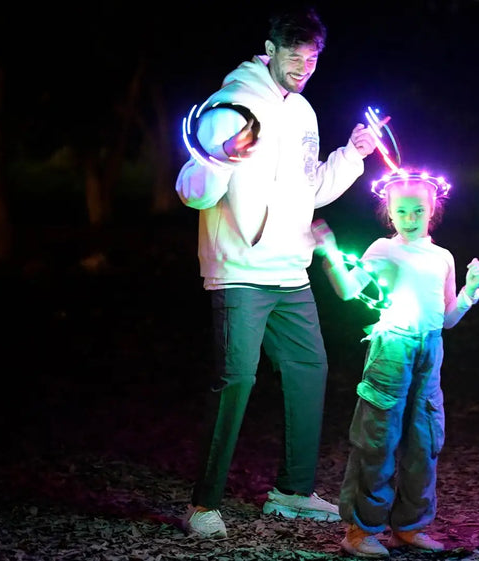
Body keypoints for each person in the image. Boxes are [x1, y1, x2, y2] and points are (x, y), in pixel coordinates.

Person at [174, 6, 385, 539]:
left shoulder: (304, 112)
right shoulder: (231, 107)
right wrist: (221, 156)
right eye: (295, 56)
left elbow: (310, 188)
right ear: (268, 51)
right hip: (241, 269)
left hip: (290, 270)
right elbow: (193, 193)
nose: (304, 66)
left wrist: (353, 154)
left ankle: (291, 492)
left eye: (313, 58)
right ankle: (203, 504)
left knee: (309, 370)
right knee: (236, 380)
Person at [310, 169, 479, 558]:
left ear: (432, 210)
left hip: (430, 349)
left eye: (417, 210)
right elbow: (347, 290)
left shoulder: (442, 256)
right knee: (378, 438)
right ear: (389, 213)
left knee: (424, 440)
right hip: (392, 348)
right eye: (401, 211)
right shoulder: (382, 249)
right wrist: (329, 253)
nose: (409, 217)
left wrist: (470, 290)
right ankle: (360, 531)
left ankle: (409, 527)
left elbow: (447, 316)